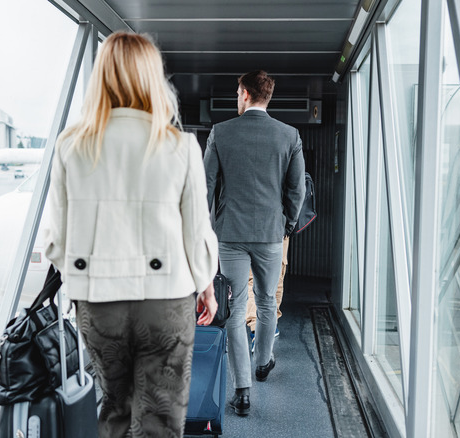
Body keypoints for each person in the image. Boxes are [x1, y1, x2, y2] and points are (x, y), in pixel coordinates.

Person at [43, 32, 219, 437]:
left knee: (116, 409)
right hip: (166, 300)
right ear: (151, 78)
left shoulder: (71, 146)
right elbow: (197, 237)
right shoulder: (179, 146)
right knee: (160, 417)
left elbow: (55, 241)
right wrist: (206, 287)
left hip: (98, 302)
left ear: (100, 77)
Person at [204, 70, 305, 416]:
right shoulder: (289, 136)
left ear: (245, 94)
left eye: (237, 92)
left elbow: (206, 185)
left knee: (234, 307)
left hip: (230, 234)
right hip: (270, 235)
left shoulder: (221, 132)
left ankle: (242, 390)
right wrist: (287, 224)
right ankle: (263, 362)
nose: (236, 98)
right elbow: (297, 190)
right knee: (265, 301)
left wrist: (207, 228)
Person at [245, 236, 289, 349]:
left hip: (249, 229)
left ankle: (257, 329)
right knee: (276, 277)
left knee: (252, 279)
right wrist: (289, 225)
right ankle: (268, 326)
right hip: (278, 229)